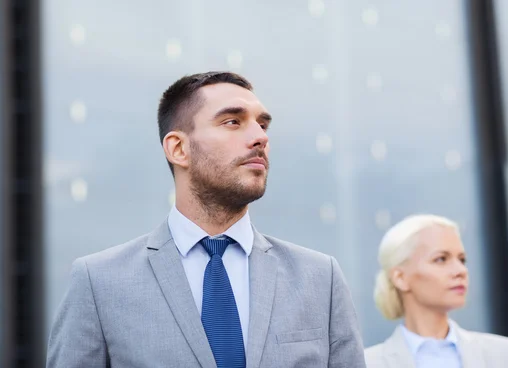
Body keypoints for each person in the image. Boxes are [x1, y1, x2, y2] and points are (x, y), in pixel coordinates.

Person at [47, 71, 366, 368]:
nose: (259, 137)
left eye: (263, 125)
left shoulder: (320, 279)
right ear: (178, 148)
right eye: (233, 121)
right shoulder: (99, 283)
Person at [364, 214, 508, 368]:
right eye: (441, 259)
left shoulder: (502, 354)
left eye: (462, 260)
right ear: (400, 278)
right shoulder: (366, 363)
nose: (461, 270)